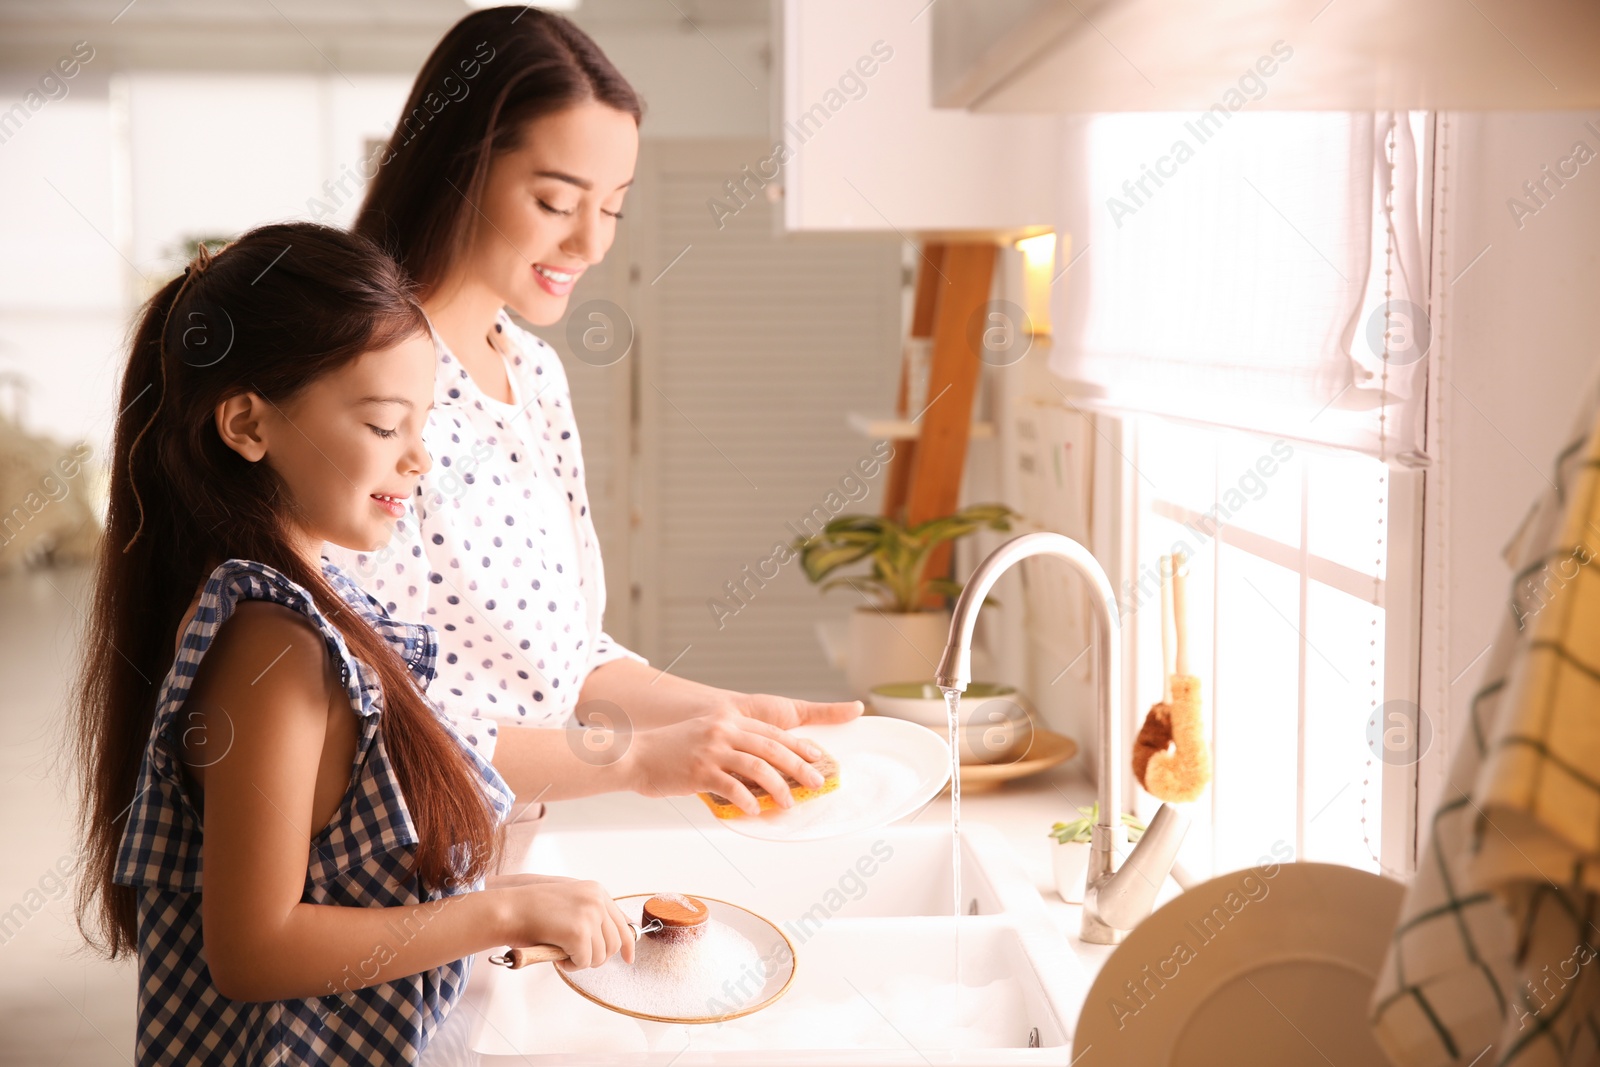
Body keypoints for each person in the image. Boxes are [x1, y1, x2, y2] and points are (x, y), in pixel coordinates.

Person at [71, 223, 633, 1066]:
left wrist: (501, 893)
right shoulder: (273, 647)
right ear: (246, 424)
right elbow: (255, 949)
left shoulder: (321, 606)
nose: (420, 459)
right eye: (382, 425)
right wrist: (501, 914)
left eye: (424, 422)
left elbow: (337, 881)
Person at [337, 7, 861, 837]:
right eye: (555, 201)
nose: (588, 242)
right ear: (456, 169)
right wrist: (644, 761)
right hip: (382, 880)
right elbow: (358, 718)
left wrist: (728, 714)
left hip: (503, 854)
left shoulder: (532, 373)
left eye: (613, 208)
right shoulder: (357, 379)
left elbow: (564, 659)